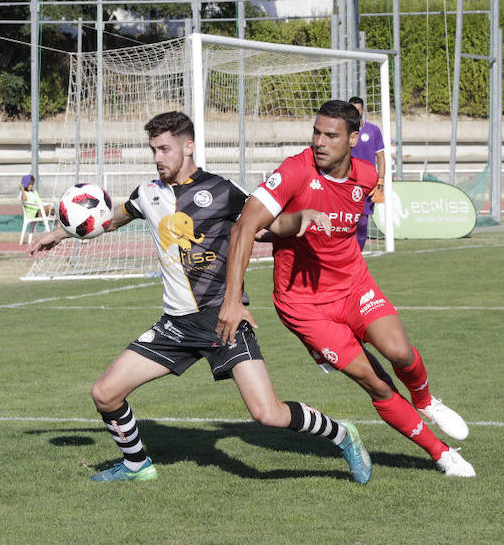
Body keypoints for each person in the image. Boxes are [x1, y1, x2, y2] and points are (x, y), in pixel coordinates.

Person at [28, 111, 373, 483]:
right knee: (105, 394)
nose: (157, 157)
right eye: (153, 150)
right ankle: (136, 464)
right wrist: (61, 234)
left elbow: (268, 224)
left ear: (188, 146)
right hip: (175, 325)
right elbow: (108, 219)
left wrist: (299, 216)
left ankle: (343, 434)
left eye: (164, 149)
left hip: (223, 319)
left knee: (267, 413)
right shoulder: (148, 193)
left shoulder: (222, 190)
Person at [217, 100, 476, 477]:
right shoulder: (294, 172)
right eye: (316, 133)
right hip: (304, 305)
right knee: (376, 382)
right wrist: (232, 300)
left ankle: (426, 402)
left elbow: (355, 197)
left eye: (331, 135)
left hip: (354, 283)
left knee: (400, 352)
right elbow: (245, 227)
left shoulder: (367, 176)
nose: (320, 142)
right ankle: (441, 453)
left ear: (354, 139)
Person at [347, 96, 385, 251]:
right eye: (352, 109)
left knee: (362, 223)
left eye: (358, 109)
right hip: (348, 182)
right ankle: (345, 255)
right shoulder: (344, 131)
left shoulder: (373, 130)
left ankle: (357, 256)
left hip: (367, 183)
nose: (355, 112)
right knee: (347, 222)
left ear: (363, 110)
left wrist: (380, 181)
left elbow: (380, 157)